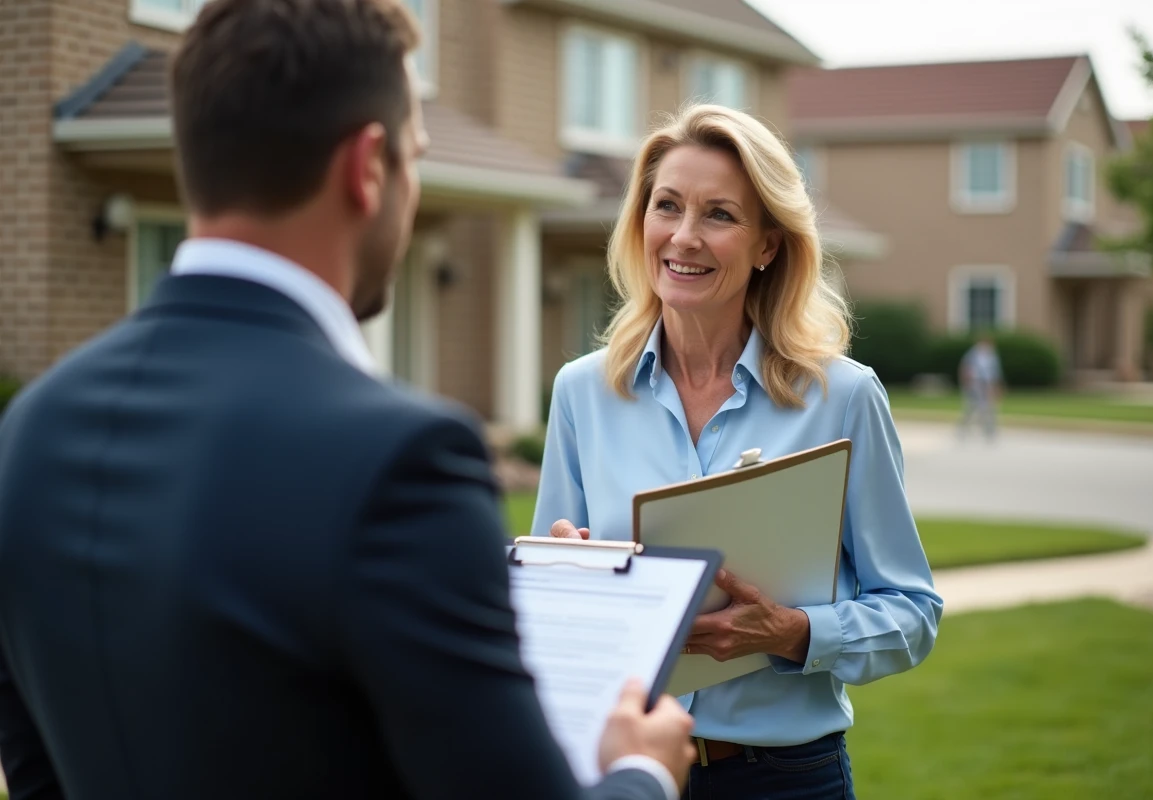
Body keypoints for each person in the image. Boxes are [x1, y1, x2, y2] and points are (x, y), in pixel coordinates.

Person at [0, 1, 696, 798]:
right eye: (415, 156)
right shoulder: (399, 459)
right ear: (369, 167)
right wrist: (643, 771)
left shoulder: (31, 429)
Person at [533, 105, 943, 800]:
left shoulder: (842, 398)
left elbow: (912, 613)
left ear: (767, 245)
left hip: (783, 780)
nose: (684, 237)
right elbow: (545, 610)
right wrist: (568, 577)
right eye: (667, 206)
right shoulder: (583, 392)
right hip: (625, 773)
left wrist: (791, 633)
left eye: (719, 215)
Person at [958, 334, 1004, 439]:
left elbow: (996, 372)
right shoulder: (972, 354)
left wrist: (997, 386)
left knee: (990, 407)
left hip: (987, 384)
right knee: (972, 407)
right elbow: (965, 369)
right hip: (975, 383)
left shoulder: (992, 356)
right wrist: (966, 383)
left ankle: (989, 430)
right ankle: (963, 427)